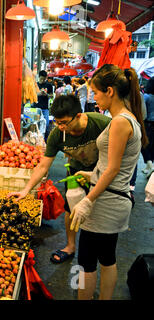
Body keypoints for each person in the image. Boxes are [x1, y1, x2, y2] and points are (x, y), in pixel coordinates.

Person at [70, 64, 147, 300]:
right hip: (113, 197)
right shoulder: (127, 118)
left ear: (110, 91)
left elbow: (113, 169)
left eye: (96, 92)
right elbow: (115, 166)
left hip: (106, 201)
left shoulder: (120, 122)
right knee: (106, 257)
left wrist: (87, 201)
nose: (93, 98)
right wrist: (92, 176)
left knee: (85, 260)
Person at [8, 94, 111, 264]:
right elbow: (43, 166)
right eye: (57, 122)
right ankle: (70, 246)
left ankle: (99, 251)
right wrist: (26, 190)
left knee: (97, 211)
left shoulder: (101, 124)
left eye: (64, 123)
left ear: (78, 115)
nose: (61, 126)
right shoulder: (57, 135)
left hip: (102, 174)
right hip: (76, 172)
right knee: (70, 208)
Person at [36, 70, 54, 139]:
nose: (42, 80)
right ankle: (38, 140)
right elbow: (32, 95)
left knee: (46, 125)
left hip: (45, 108)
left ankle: (46, 140)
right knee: (36, 125)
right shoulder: (36, 85)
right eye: (41, 78)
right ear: (39, 77)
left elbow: (51, 96)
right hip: (36, 108)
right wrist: (39, 94)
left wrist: (46, 94)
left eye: (44, 79)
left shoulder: (49, 85)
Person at [141, 77, 154, 176]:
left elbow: (143, 112)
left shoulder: (146, 97)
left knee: (144, 145)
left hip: (148, 124)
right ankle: (148, 166)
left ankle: (150, 165)